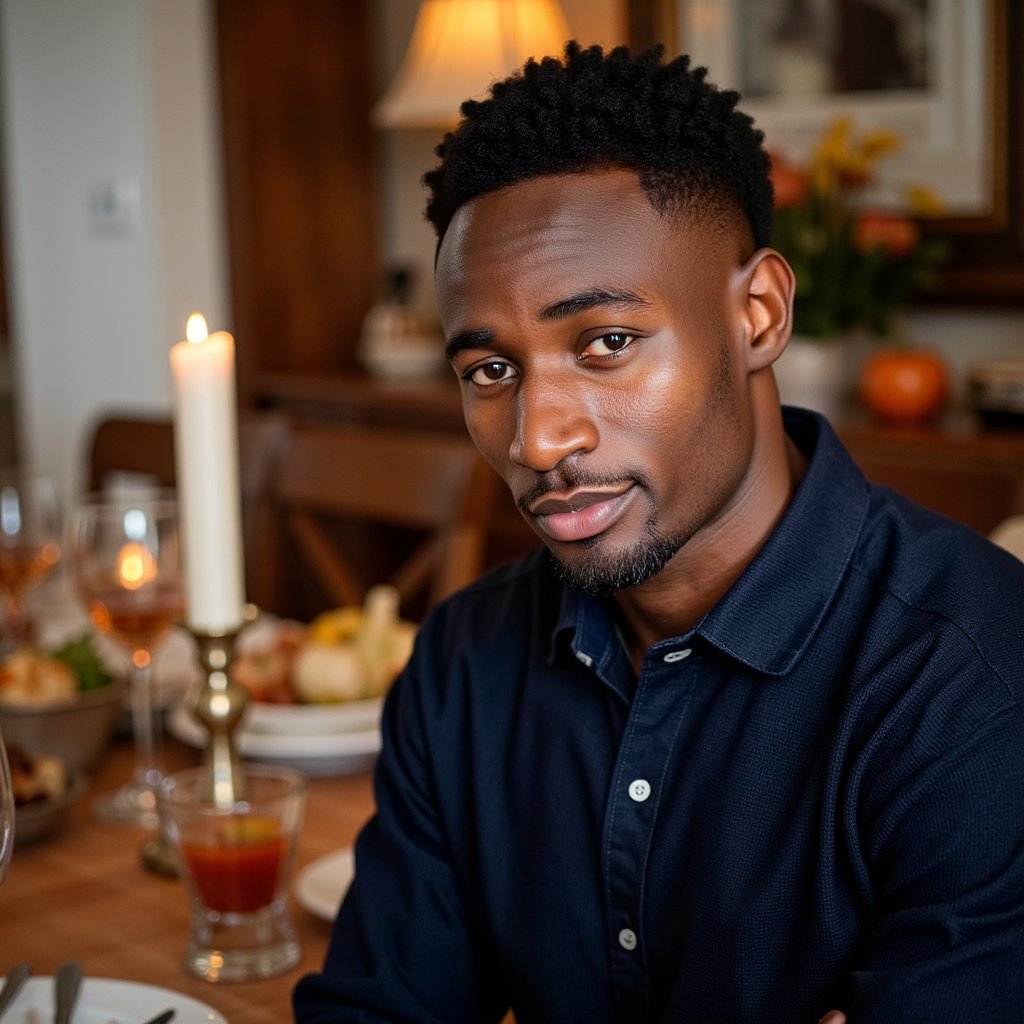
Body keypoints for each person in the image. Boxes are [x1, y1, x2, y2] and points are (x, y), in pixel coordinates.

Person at [293, 43, 1024, 1022]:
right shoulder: (461, 663)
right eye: (489, 371)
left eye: (605, 342)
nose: (538, 435)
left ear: (757, 313)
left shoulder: (973, 685)